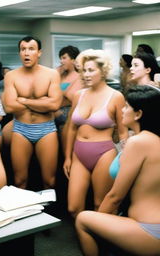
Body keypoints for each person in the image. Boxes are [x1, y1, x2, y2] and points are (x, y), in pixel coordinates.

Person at [76, 85, 160, 256]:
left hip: (150, 229)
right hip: (147, 222)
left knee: (83, 219)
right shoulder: (151, 139)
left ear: (138, 114)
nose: (122, 109)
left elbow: (115, 197)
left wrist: (99, 224)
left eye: (127, 106)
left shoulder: (139, 142)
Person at [63, 49, 128, 219]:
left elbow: (122, 132)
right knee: (73, 207)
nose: (86, 74)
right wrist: (68, 157)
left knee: (100, 205)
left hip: (104, 153)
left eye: (91, 70)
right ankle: (85, 236)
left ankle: (97, 242)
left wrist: (124, 160)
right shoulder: (78, 95)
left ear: (103, 71)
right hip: (78, 154)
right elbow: (71, 128)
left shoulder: (116, 96)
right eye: (84, 70)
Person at [2, 35, 62, 189]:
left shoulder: (51, 74)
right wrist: (43, 101)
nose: (26, 53)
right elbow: (9, 107)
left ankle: (49, 213)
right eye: (23, 49)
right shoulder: (11, 76)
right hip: (21, 129)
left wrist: (23, 100)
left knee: (49, 181)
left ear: (39, 52)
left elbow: (55, 104)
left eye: (31, 49)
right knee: (20, 180)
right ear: (19, 53)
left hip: (46, 129)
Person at [55, 45, 84, 150]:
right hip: (57, 107)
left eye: (64, 58)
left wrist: (60, 92)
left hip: (69, 110)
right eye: (60, 58)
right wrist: (57, 73)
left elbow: (71, 97)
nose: (61, 61)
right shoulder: (61, 75)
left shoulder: (79, 76)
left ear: (73, 60)